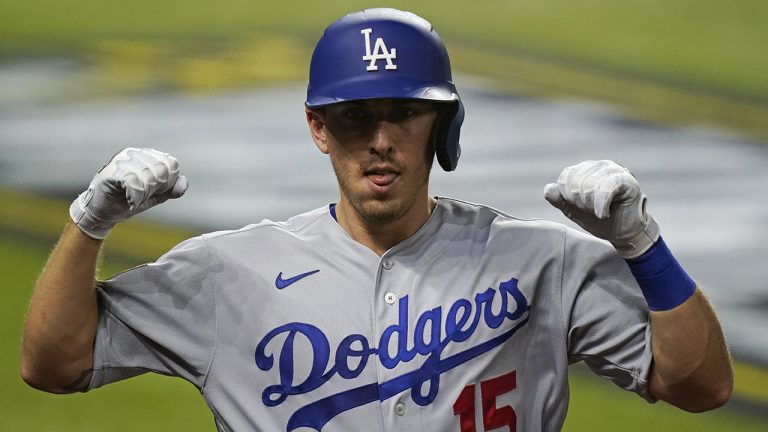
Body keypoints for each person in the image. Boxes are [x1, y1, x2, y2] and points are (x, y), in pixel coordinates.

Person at [21, 7, 732, 432]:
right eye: (356, 117)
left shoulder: (544, 260)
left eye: (404, 113)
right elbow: (53, 365)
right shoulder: (226, 273)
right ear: (318, 128)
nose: (381, 138)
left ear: (441, 124)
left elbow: (702, 388)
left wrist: (643, 246)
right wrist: (89, 223)